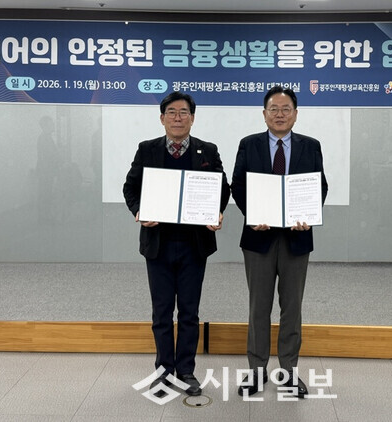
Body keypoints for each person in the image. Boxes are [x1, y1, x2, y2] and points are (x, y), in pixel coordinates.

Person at [123, 92, 230, 397]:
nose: (178, 118)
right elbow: (130, 188)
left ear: (192, 118)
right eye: (171, 112)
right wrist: (139, 211)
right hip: (158, 244)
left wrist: (217, 212)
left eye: (184, 112)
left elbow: (222, 188)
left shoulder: (208, 150)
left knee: (189, 312)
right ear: (162, 118)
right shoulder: (147, 149)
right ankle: (163, 370)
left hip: (194, 245)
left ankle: (186, 370)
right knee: (161, 312)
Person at [231, 86, 328, 398]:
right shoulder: (249, 144)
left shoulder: (311, 146)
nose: (280, 114)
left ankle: (288, 372)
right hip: (258, 237)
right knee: (258, 307)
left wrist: (308, 214)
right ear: (264, 114)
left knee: (292, 308)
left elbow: (319, 186)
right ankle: (256, 371)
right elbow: (238, 185)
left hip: (296, 239)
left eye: (286, 109)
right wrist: (252, 215)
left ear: (296, 114)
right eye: (274, 109)